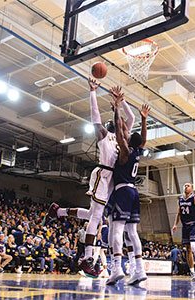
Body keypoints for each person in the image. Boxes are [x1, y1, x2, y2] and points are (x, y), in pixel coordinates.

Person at [44, 80, 135, 277]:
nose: (124, 125)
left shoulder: (123, 137)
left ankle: (58, 211)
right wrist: (92, 92)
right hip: (103, 175)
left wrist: (122, 101)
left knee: (95, 214)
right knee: (96, 217)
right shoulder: (105, 136)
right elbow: (95, 118)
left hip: (112, 180)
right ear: (115, 126)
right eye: (120, 124)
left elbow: (132, 117)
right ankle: (87, 259)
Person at [106, 91, 149, 285]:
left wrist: (116, 109)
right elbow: (143, 139)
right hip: (134, 193)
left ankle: (116, 268)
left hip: (122, 191)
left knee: (116, 229)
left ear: (129, 140)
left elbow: (118, 134)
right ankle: (139, 270)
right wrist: (143, 119)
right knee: (132, 233)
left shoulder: (125, 152)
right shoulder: (138, 151)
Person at [172, 183, 195, 281]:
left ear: (192, 189)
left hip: (194, 225)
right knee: (188, 249)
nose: (186, 186)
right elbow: (178, 213)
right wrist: (175, 224)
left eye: (188, 185)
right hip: (185, 227)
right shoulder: (180, 200)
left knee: (193, 246)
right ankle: (192, 271)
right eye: (184, 185)